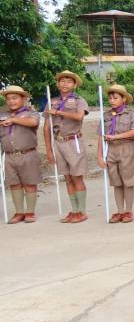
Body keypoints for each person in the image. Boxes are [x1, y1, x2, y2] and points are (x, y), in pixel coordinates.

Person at [44, 70, 89, 223]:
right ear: (58, 84)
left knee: (77, 177)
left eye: (69, 81)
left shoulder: (79, 100)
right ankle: (74, 210)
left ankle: (82, 211)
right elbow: (47, 127)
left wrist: (58, 112)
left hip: (73, 141)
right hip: (58, 142)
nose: (65, 84)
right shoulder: (52, 101)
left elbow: (79, 116)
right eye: (62, 81)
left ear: (74, 85)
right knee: (67, 178)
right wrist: (49, 149)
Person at [98, 85, 134, 223]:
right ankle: (120, 211)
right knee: (116, 182)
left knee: (128, 181)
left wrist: (116, 137)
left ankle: (128, 211)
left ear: (124, 99)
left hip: (126, 148)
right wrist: (99, 156)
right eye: (110, 98)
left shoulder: (132, 114)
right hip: (110, 150)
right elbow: (101, 136)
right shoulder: (105, 115)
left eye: (115, 98)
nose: (112, 100)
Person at [0, 86, 41, 223]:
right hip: (9, 155)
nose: (11, 101)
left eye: (14, 98)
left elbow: (33, 122)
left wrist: (13, 120)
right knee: (14, 184)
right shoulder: (2, 114)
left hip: (27, 154)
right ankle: (19, 212)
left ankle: (30, 212)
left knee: (30, 183)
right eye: (8, 99)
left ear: (23, 98)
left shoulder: (31, 113)